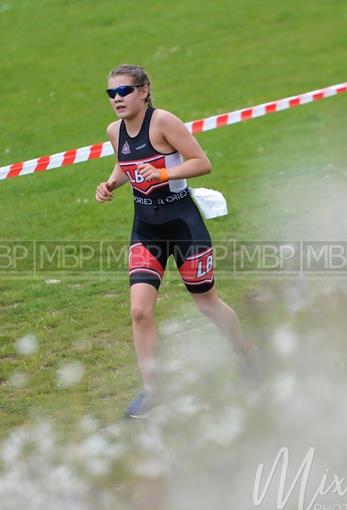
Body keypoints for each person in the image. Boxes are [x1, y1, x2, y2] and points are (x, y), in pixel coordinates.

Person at [95, 64, 254, 418]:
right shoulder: (114, 131)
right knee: (139, 310)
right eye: (111, 94)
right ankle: (153, 390)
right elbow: (126, 164)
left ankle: (245, 352)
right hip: (146, 229)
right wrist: (110, 184)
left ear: (144, 91)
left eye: (124, 92)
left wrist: (165, 172)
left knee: (207, 304)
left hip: (183, 226)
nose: (117, 100)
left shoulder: (164, 122)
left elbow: (202, 162)